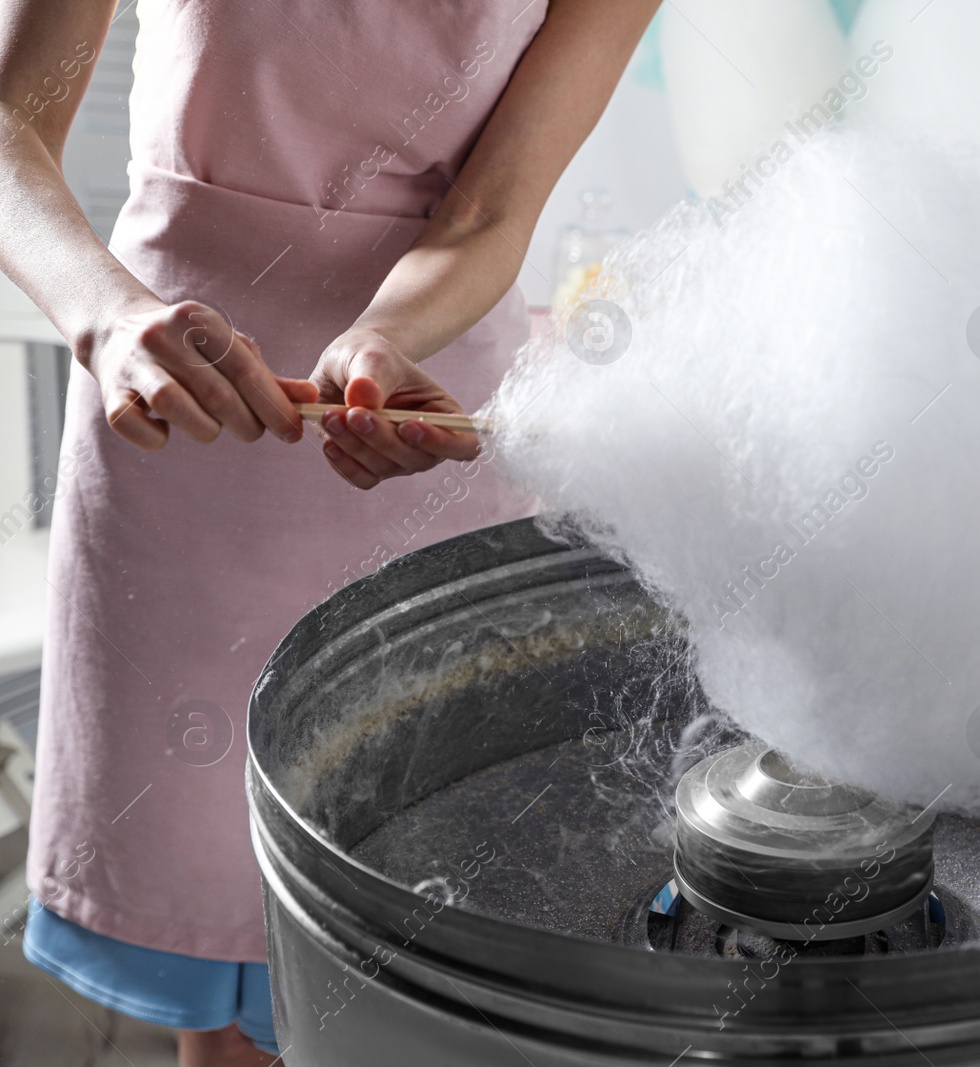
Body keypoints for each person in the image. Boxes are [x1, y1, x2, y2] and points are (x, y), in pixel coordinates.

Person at [0, 1, 660, 1062]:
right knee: (220, 950)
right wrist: (106, 313)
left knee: (427, 952)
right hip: (170, 408)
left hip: (413, 416)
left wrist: (382, 340)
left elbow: (490, 210)